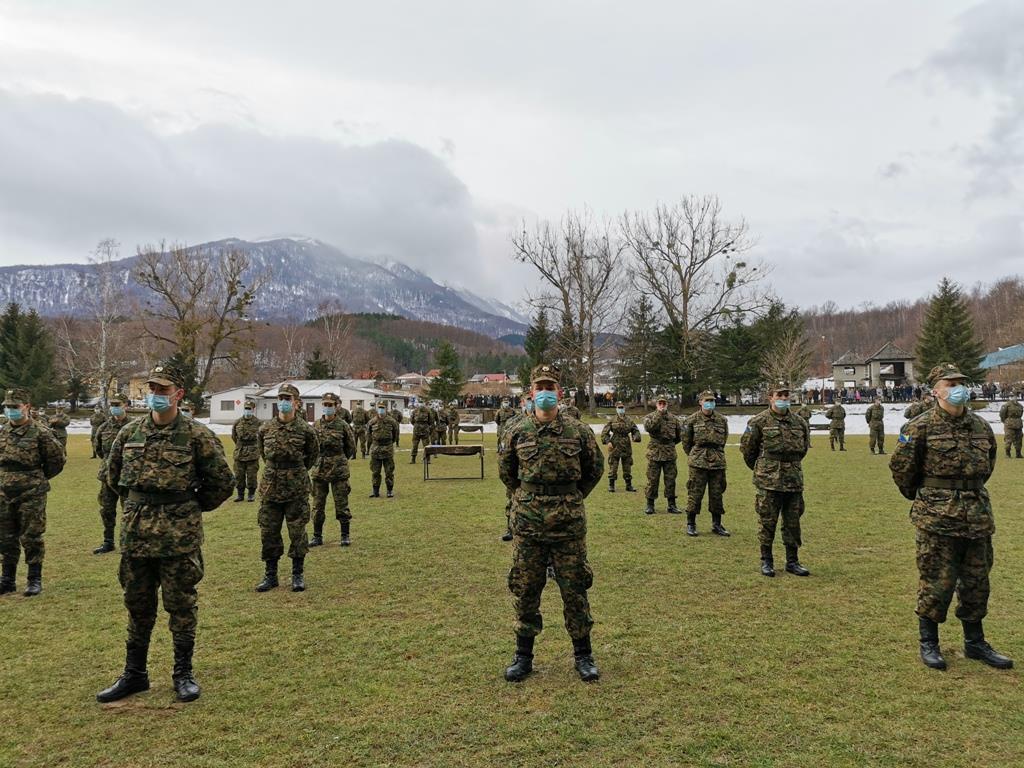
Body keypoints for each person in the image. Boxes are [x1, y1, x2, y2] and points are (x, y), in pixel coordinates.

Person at [96, 363, 233, 703]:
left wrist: (187, 507)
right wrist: (139, 505)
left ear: (178, 394)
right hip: (136, 535)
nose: (156, 395)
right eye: (152, 389)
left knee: (180, 604)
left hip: (178, 537)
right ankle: (135, 674)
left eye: (163, 390)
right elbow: (113, 478)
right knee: (137, 604)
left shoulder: (197, 436)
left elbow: (222, 482)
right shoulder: (129, 434)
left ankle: (182, 673)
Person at [890, 362, 1013, 671]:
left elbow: (988, 465)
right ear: (936, 391)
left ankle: (975, 643)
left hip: (976, 516)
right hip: (936, 518)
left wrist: (966, 491)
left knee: (977, 581)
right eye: (951, 384)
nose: (959, 388)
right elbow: (902, 470)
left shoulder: (981, 427)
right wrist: (930, 498)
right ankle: (929, 642)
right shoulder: (919, 427)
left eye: (961, 382)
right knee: (936, 581)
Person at [499, 363, 603, 683]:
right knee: (526, 588)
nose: (545, 393)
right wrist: (528, 498)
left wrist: (571, 496)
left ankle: (583, 655)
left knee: (575, 589)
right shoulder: (516, 430)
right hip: (528, 524)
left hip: (568, 525)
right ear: (531, 393)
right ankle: (523, 656)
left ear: (559, 392)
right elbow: (507, 473)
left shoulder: (578, 431)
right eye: (540, 388)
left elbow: (594, 469)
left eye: (550, 388)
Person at [740, 383, 811, 578]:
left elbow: (803, 449)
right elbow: (748, 451)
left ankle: (792, 561)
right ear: (770, 397)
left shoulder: (799, 422)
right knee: (767, 521)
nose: (784, 398)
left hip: (793, 479)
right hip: (768, 481)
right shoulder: (758, 421)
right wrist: (764, 469)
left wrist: (789, 465)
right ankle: (767, 560)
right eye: (779, 395)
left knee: (793, 522)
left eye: (786, 395)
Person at [0, 388, 65, 597]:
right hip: (3, 493)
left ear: (26, 407)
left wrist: (36, 479)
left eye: (15, 406)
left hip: (31, 492)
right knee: (5, 537)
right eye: (7, 407)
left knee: (31, 536)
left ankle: (34, 579)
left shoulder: (41, 433)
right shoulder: (2, 431)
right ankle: (7, 580)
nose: (10, 410)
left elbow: (56, 461)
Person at [255, 384, 319, 593]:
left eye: (287, 398)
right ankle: (270, 575)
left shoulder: (306, 430)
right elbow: (264, 455)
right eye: (281, 398)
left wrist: (294, 471)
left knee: (297, 532)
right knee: (268, 531)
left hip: (296, 488)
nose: (283, 402)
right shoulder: (265, 429)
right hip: (270, 488)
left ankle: (297, 574)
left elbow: (312, 456)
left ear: (296, 403)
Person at [310, 392, 357, 547]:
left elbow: (351, 447)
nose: (327, 407)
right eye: (325, 404)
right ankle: (317, 536)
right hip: (320, 470)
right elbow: (311, 447)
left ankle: (345, 535)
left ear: (336, 407)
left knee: (341, 504)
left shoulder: (343, 425)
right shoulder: (316, 425)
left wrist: (339, 459)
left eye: (330, 405)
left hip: (338, 471)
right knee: (317, 506)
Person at [681, 390, 729, 537]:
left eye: (712, 400)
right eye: (707, 400)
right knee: (695, 493)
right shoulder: (691, 420)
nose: (710, 403)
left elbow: (724, 440)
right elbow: (686, 442)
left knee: (717, 494)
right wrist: (695, 455)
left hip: (717, 461)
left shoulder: (722, 420)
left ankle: (717, 524)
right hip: (698, 462)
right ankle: (691, 523)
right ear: (700, 402)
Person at [92, 395, 130, 554]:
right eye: (112, 404)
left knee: (129, 510)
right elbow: (99, 450)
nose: (114, 407)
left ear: (126, 405)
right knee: (107, 509)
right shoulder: (104, 427)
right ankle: (108, 541)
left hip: (128, 476)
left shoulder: (134, 427)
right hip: (107, 475)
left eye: (117, 404)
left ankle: (127, 542)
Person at [642, 395, 682, 515]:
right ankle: (650, 505)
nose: (662, 405)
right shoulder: (649, 417)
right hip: (655, 452)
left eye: (664, 403)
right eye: (660, 403)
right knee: (652, 479)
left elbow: (679, 436)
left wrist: (669, 444)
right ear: (656, 404)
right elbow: (649, 428)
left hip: (669, 452)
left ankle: (671, 505)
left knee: (671, 479)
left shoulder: (674, 419)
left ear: (667, 404)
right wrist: (659, 414)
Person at [600, 401, 640, 493]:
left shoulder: (629, 420)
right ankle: (611, 485)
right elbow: (604, 433)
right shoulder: (612, 420)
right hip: (615, 446)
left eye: (622, 407)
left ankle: (629, 485)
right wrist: (608, 442)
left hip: (626, 446)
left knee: (627, 467)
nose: (621, 409)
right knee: (613, 467)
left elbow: (635, 430)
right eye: (619, 408)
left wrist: (635, 437)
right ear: (616, 409)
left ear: (624, 408)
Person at [367, 400, 399, 498]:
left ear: (386, 409)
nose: (381, 409)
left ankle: (389, 490)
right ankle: (375, 491)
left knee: (389, 471)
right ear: (377, 408)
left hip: (387, 449)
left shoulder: (392, 421)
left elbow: (395, 435)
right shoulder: (372, 422)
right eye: (379, 407)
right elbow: (369, 435)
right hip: (375, 449)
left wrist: (388, 443)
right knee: (375, 472)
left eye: (383, 408)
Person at [231, 397, 260, 502]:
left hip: (253, 453)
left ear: (253, 409)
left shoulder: (258, 423)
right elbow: (234, 436)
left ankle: (251, 494)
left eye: (249, 409)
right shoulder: (238, 422)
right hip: (240, 452)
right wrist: (240, 445)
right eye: (246, 408)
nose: (247, 410)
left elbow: (261, 437)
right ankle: (240, 494)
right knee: (239, 475)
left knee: (251, 475)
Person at [998, 393, 1023, 459]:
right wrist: (1005, 421)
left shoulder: (1020, 406)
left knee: (1019, 439)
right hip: (1009, 425)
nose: (1014, 398)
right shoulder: (1006, 405)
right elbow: (1002, 414)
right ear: (1010, 397)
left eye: (1015, 396)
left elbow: (1020, 414)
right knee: (1008, 439)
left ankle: (1018, 454)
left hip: (1018, 425)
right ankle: (1008, 454)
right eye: (1012, 396)